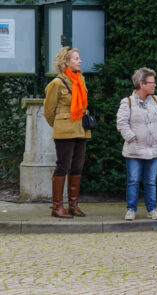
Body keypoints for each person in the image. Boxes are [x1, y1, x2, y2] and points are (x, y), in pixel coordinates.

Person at [116, 67, 157, 221]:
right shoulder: (127, 102)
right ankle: (131, 209)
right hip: (134, 149)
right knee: (133, 180)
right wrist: (131, 138)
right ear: (141, 84)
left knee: (151, 181)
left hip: (154, 148)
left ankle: (152, 209)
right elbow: (121, 123)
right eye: (151, 82)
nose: (155, 85)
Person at [43, 46, 92, 219]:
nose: (80, 61)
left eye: (79, 58)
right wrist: (60, 124)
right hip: (65, 130)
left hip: (80, 129)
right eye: (76, 58)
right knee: (63, 166)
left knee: (77, 166)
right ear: (66, 62)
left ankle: (73, 205)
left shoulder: (80, 79)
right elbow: (48, 111)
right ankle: (57, 207)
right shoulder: (56, 83)